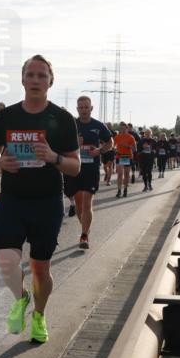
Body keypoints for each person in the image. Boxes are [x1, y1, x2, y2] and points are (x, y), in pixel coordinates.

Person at [0, 55, 80, 344]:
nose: (36, 80)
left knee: (41, 267)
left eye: (42, 75)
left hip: (46, 201)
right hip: (12, 200)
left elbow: (75, 166)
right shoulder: (8, 116)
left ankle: (39, 315)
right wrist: (0, 161)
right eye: (31, 74)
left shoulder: (62, 119)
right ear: (23, 79)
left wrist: (53, 157)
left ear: (51, 81)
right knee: (6, 261)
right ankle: (22, 298)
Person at [65, 96, 113, 249]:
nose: (84, 110)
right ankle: (85, 228)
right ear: (77, 109)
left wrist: (99, 150)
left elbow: (110, 142)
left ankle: (84, 235)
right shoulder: (71, 125)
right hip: (75, 168)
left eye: (87, 107)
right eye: (81, 107)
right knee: (79, 204)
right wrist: (74, 145)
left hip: (91, 169)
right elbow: (61, 145)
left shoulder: (98, 125)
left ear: (91, 108)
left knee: (87, 203)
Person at [114, 123, 137, 198]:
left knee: (126, 174)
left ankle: (125, 189)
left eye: (124, 129)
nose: (123, 130)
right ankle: (119, 190)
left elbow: (135, 149)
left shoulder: (131, 137)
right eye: (121, 129)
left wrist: (128, 146)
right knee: (120, 174)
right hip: (119, 156)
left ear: (127, 129)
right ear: (120, 129)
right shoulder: (117, 137)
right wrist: (114, 149)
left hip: (127, 157)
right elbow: (114, 146)